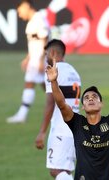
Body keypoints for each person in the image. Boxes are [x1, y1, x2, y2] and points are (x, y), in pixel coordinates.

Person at [45, 58, 109, 180]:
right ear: (82, 106)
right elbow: (62, 104)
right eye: (87, 97)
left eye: (94, 96)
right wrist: (54, 82)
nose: (90, 99)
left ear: (101, 104)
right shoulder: (77, 123)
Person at [35, 39, 81, 180]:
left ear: (53, 52)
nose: (46, 57)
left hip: (61, 130)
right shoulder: (73, 72)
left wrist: (42, 132)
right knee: (65, 171)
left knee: (55, 170)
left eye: (47, 53)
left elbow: (50, 103)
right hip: (74, 128)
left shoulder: (54, 70)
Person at [7, 0, 50, 123]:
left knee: (45, 86)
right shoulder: (32, 22)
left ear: (26, 6)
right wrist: (28, 58)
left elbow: (45, 39)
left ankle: (22, 115)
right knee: (40, 85)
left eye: (20, 11)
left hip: (41, 59)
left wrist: (42, 60)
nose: (20, 15)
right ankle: (22, 114)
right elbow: (34, 43)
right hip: (36, 60)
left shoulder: (39, 19)